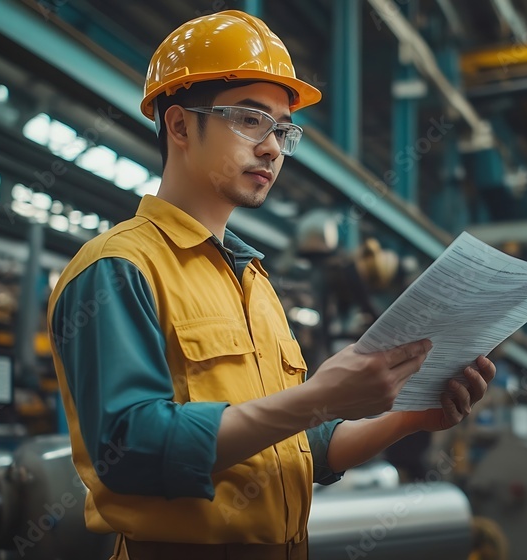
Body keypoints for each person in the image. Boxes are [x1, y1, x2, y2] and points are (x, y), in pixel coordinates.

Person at [46, 10, 496, 560]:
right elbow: (130, 450)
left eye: (283, 130)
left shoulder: (253, 283)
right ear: (181, 125)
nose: (273, 148)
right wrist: (318, 398)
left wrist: (410, 418)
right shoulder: (118, 268)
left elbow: (295, 444)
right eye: (250, 120)